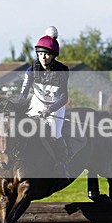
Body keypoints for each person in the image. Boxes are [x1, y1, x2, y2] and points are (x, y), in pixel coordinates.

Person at [18, 26, 71, 178]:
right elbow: (24, 92)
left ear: (53, 56)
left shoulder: (62, 71)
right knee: (23, 128)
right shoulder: (31, 70)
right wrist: (18, 106)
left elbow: (64, 98)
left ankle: (61, 163)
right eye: (40, 54)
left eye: (47, 54)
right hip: (36, 104)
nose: (43, 57)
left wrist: (50, 109)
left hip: (56, 106)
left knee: (55, 133)